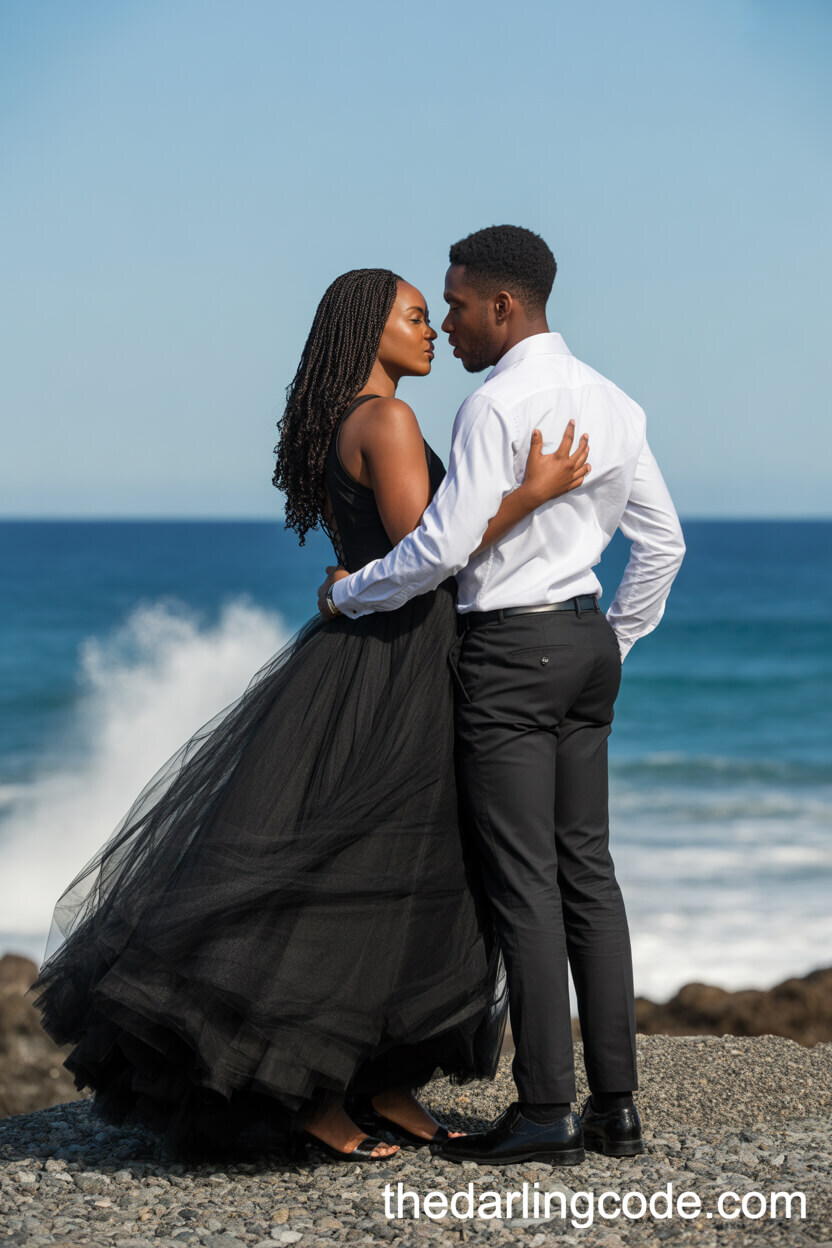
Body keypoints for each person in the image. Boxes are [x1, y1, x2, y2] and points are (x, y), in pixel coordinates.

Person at [29, 266, 590, 1163]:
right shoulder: (389, 420)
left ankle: (385, 1084)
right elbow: (429, 554)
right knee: (362, 875)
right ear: (369, 329)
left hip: (377, 654)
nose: (433, 330)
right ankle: (317, 1100)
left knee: (413, 870)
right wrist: (530, 492)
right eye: (416, 316)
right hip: (398, 664)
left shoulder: (348, 420)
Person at [320, 226, 686, 1166]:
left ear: (502, 305)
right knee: (589, 875)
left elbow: (441, 549)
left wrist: (349, 593)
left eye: (455, 305)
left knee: (525, 884)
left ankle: (545, 1112)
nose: (449, 323)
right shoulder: (616, 401)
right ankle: (616, 1110)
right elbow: (664, 544)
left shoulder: (493, 405)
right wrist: (613, 639)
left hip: (513, 651)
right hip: (586, 642)